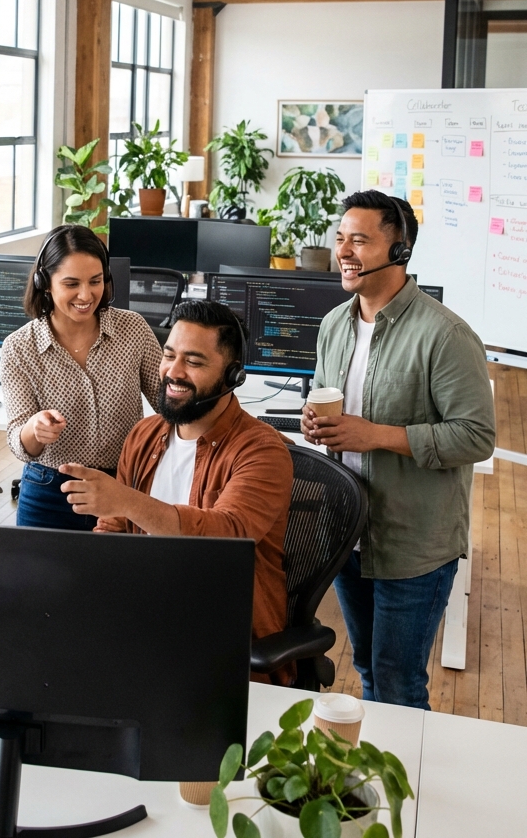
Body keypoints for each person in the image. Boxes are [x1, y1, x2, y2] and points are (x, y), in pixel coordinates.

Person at [301, 190, 495, 709]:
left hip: (414, 543)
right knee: (367, 665)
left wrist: (377, 435)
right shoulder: (335, 324)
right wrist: (314, 424)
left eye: (359, 240)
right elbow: (326, 397)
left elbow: (476, 435)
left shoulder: (446, 335)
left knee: (398, 679)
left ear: (400, 251)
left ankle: (406, 786)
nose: (343, 250)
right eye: (340, 238)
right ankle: (378, 774)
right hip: (349, 533)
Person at [58, 299, 294, 682]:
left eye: (194, 362)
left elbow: (228, 535)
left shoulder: (261, 450)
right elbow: (113, 531)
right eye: (169, 355)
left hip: (220, 635)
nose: (173, 372)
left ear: (233, 375)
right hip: (142, 622)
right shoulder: (145, 434)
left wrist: (127, 500)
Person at [0, 224, 162, 530]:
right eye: (72, 283)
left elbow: (168, 403)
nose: (86, 295)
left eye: (96, 281)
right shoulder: (19, 347)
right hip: (49, 490)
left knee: (119, 577)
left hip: (123, 487)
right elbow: (18, 441)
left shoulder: (133, 330)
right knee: (38, 579)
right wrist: (34, 429)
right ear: (44, 283)